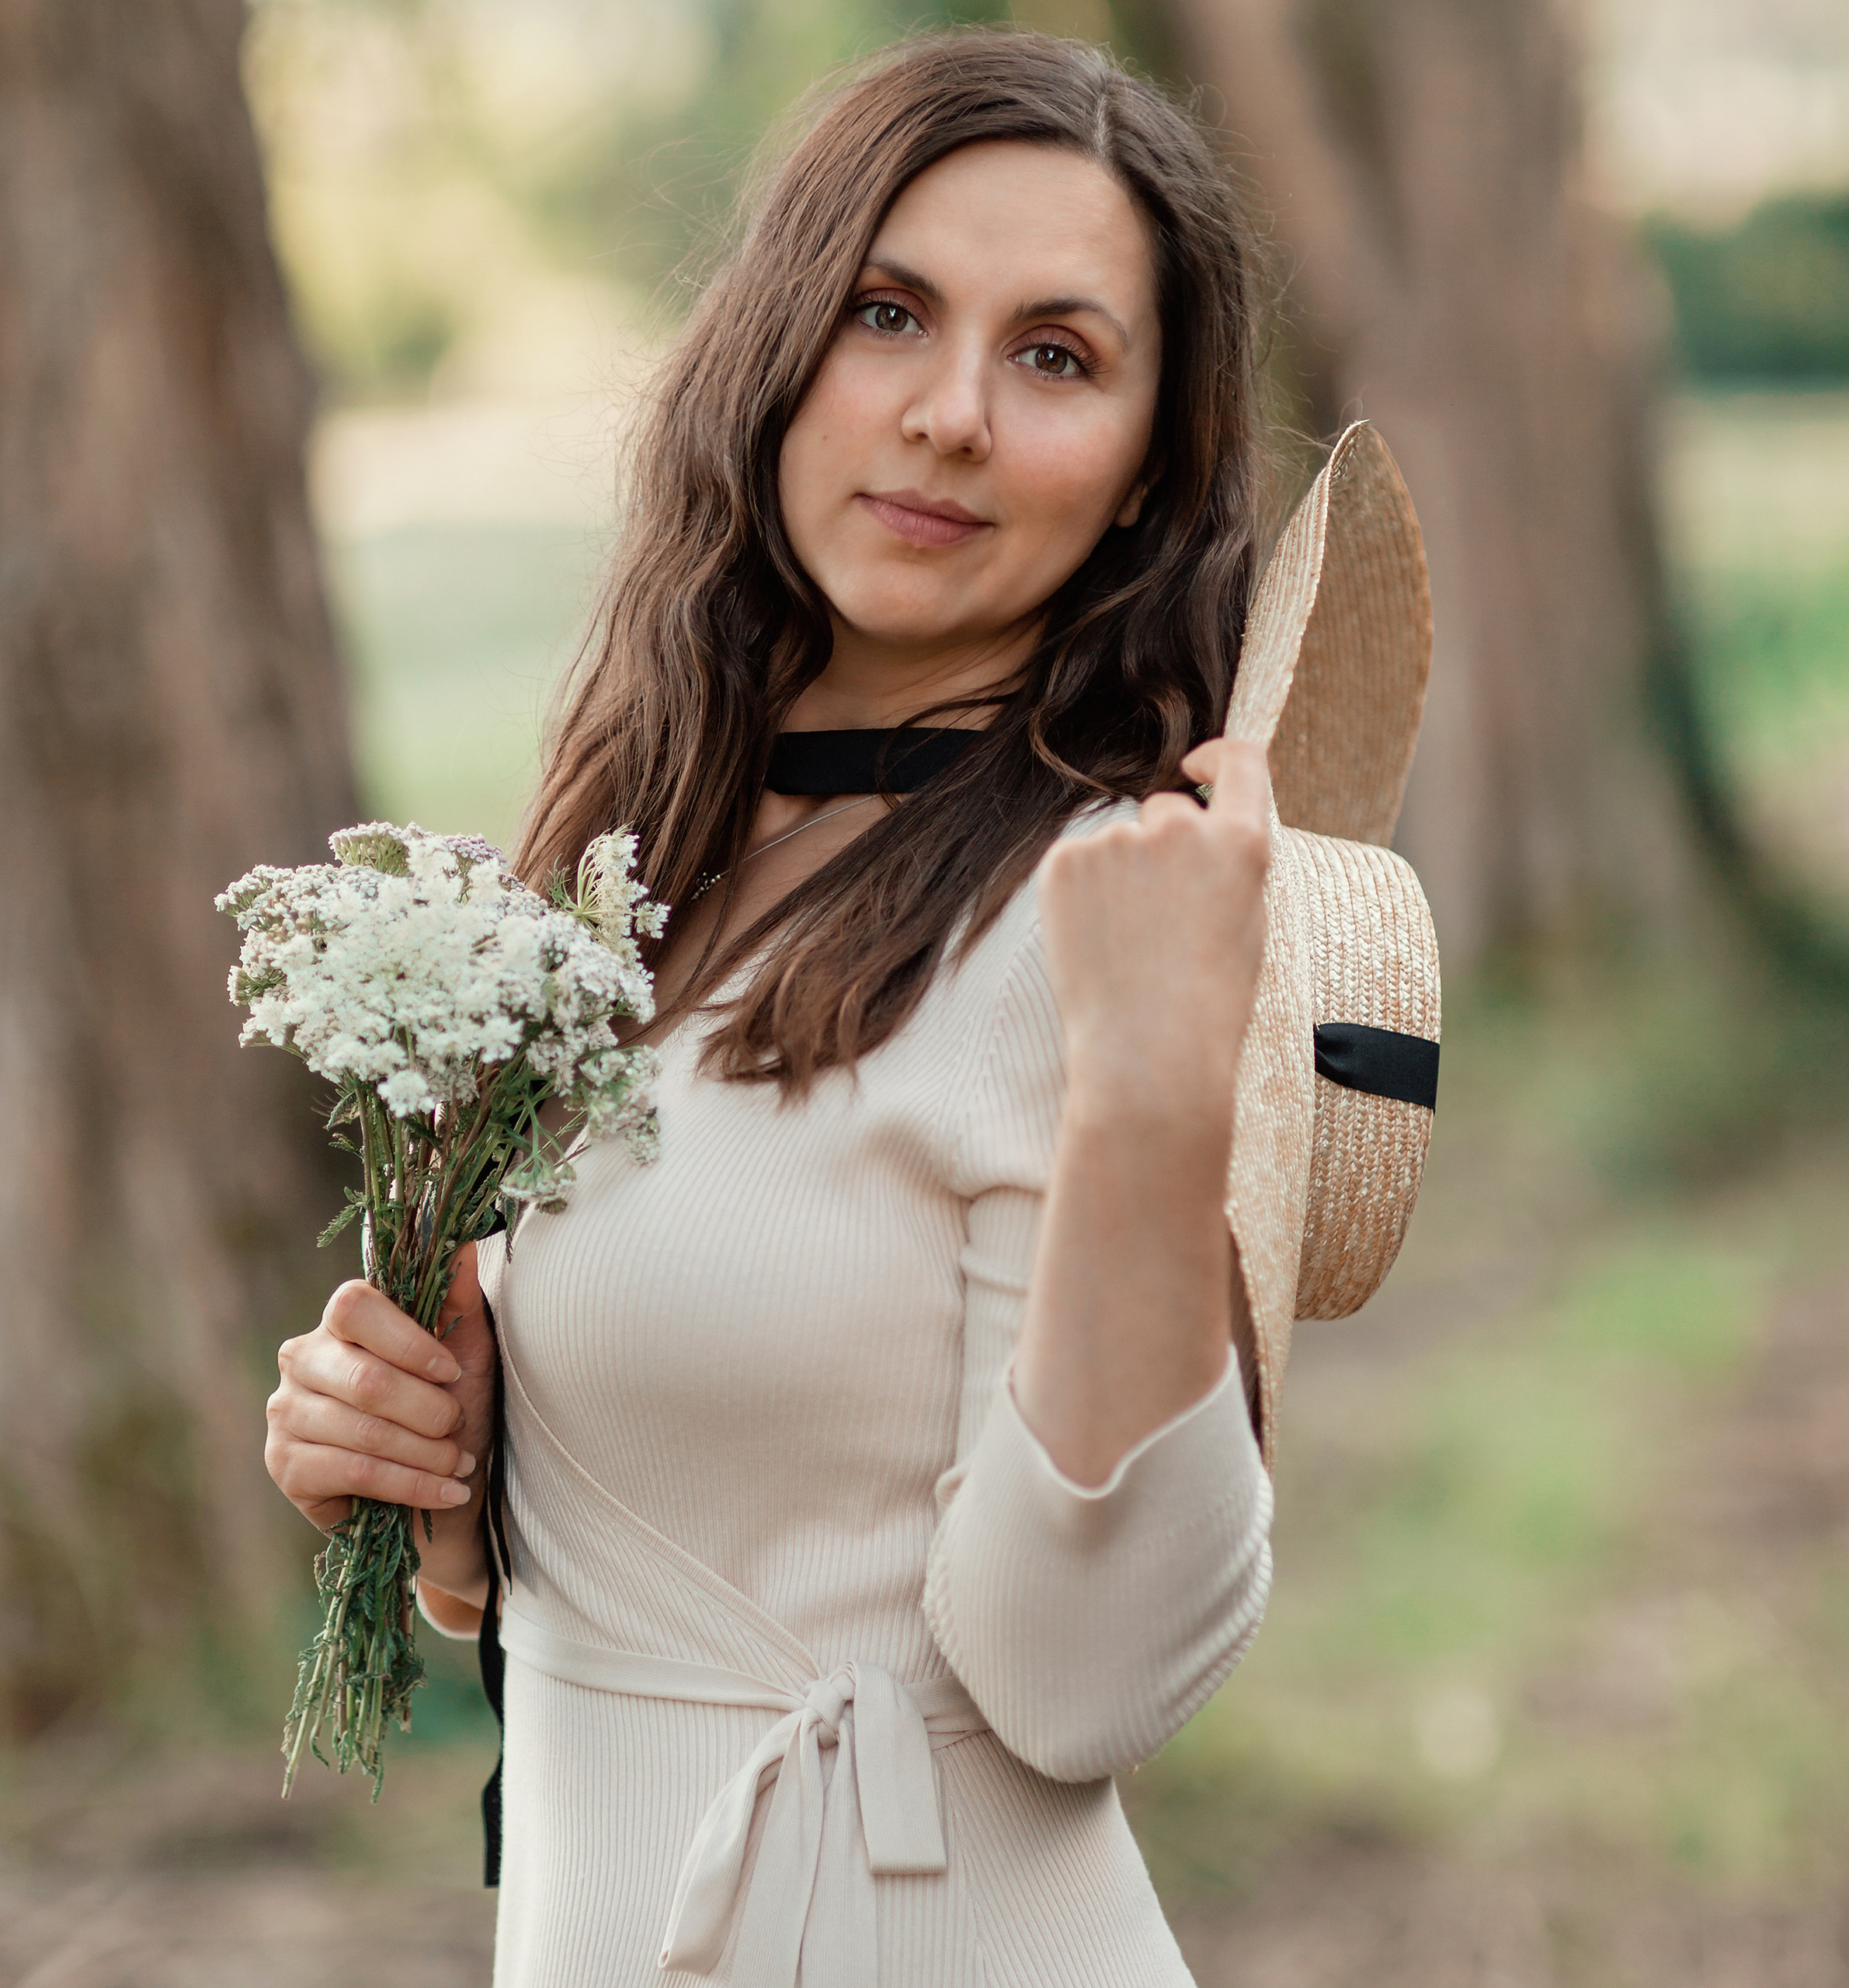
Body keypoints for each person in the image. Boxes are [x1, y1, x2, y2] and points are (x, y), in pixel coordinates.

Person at [268, 30, 1284, 1986]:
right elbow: (701, 1556)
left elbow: (1081, 1684)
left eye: (1053, 355)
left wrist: (1153, 1097)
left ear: (1146, 476)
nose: (947, 415)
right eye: (886, 312)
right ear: (770, 344)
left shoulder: (1101, 917)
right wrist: (441, 1480)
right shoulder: (633, 859)